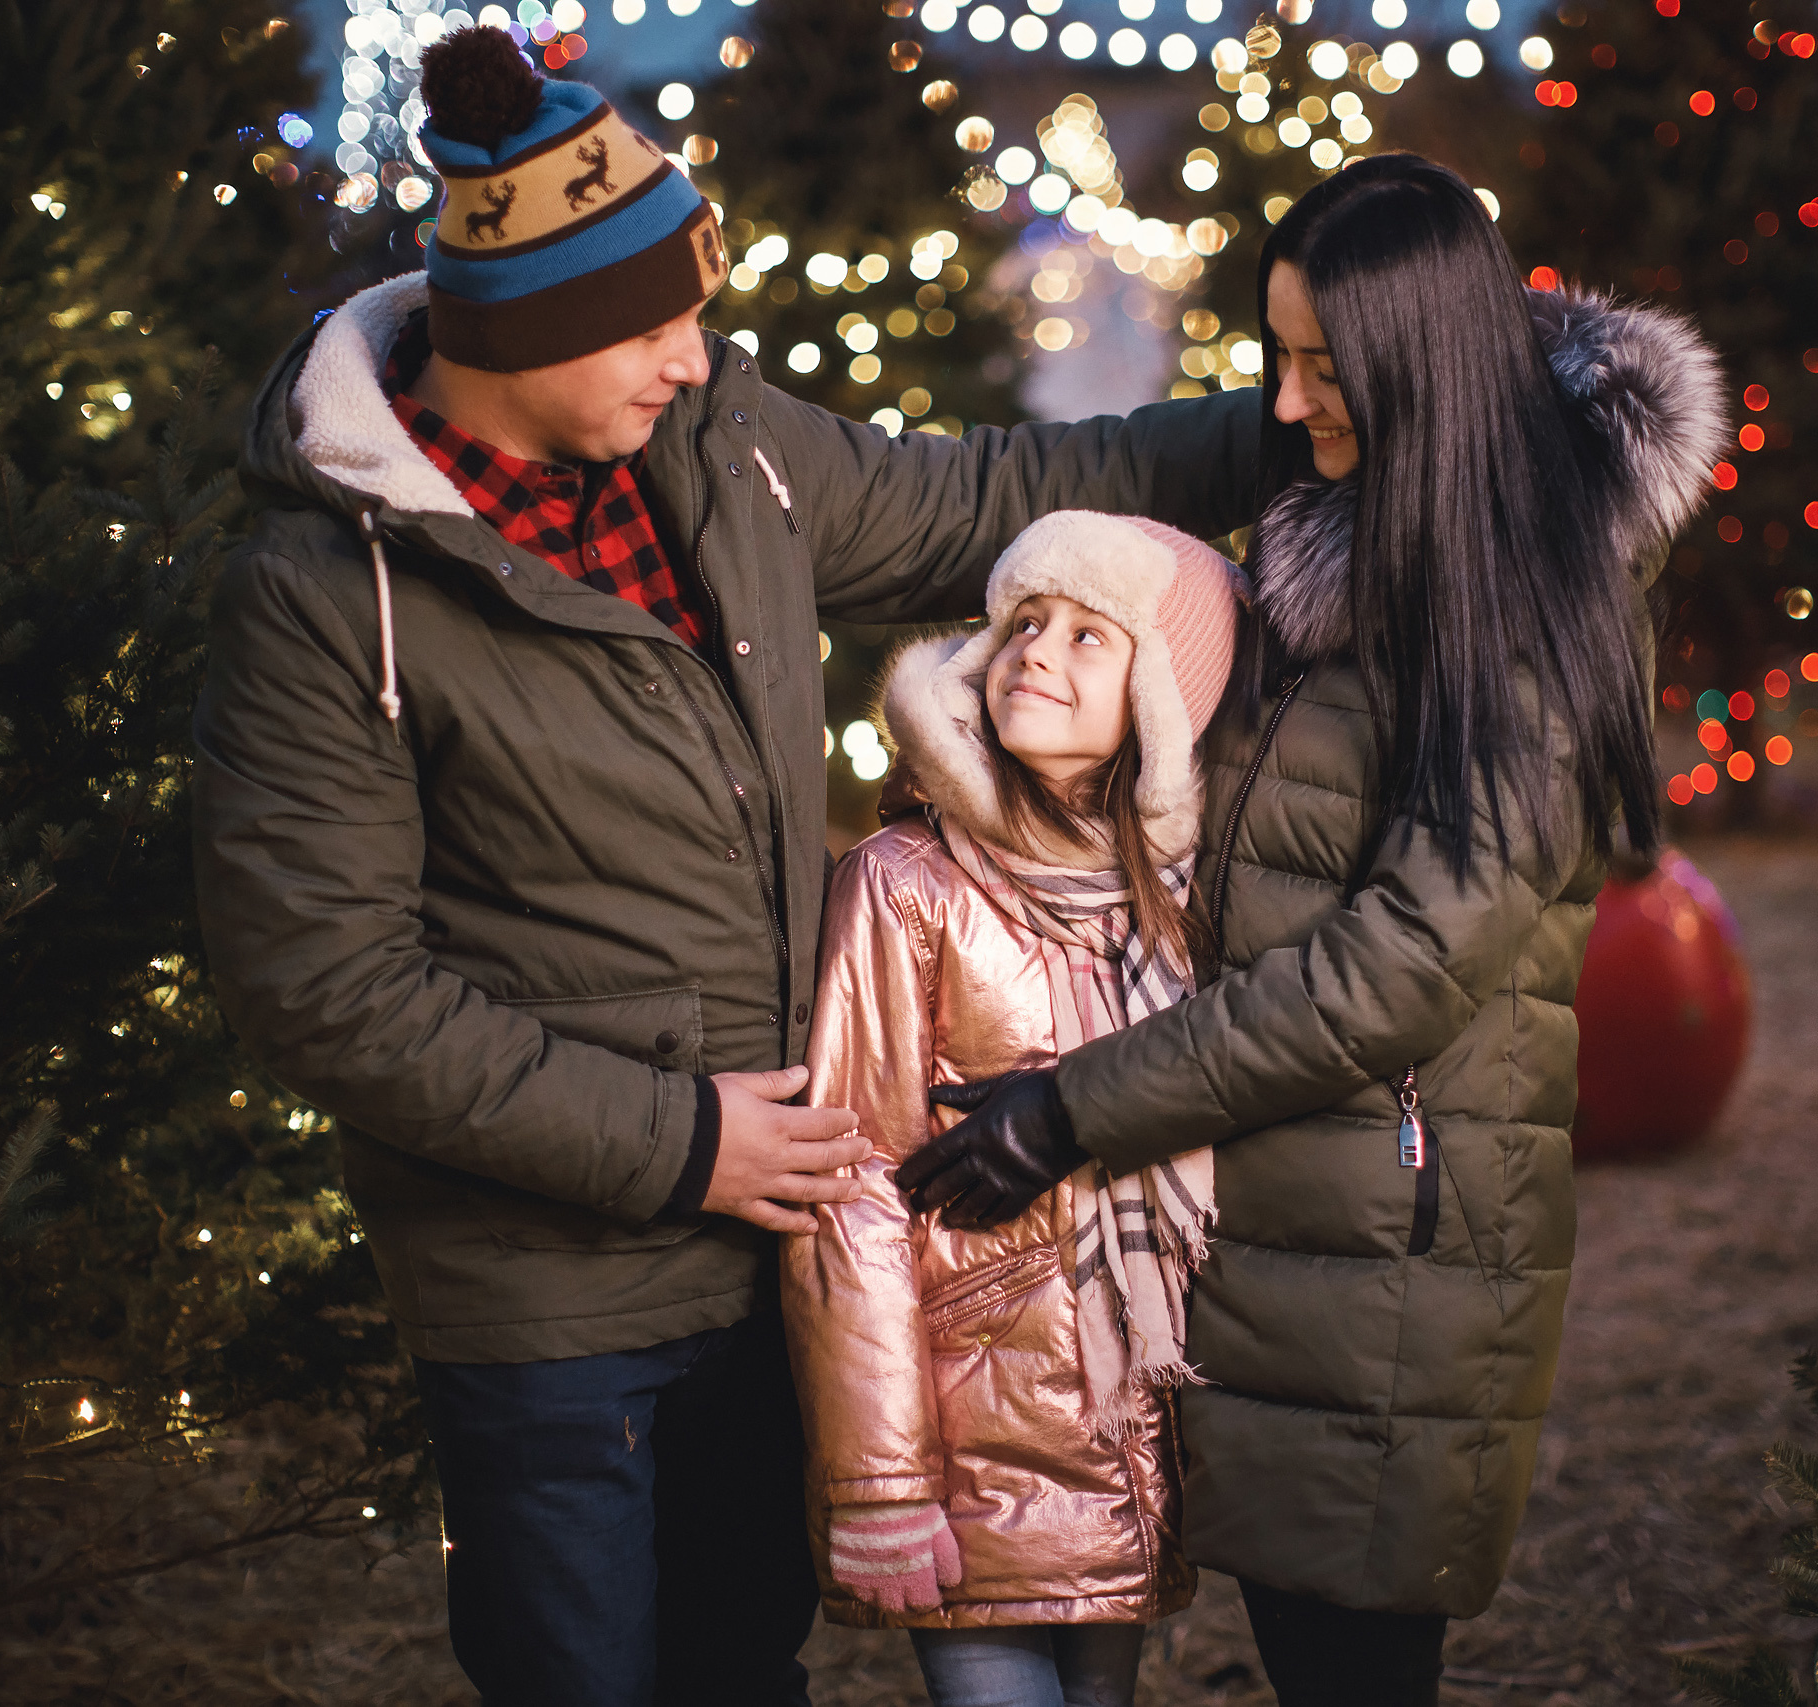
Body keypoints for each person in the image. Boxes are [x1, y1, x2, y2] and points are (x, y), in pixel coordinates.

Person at [188, 26, 1257, 1705]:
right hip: (551, 1307)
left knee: (743, 1668)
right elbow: (323, 986)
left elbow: (1008, 487)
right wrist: (679, 1138)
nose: (696, 356)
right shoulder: (333, 595)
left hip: (772, 1256)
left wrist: (1302, 428)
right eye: (656, 322)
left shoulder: (729, 459)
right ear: (522, 333)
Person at [895, 154, 1727, 1705]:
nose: (1282, 404)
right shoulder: (1340, 523)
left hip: (1390, 1244)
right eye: (1274, 354)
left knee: (1348, 1662)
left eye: (1322, 366)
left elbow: (1401, 964)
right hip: (1278, 1206)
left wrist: (1075, 1107)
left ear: (1419, 365)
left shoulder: (1533, 598)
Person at [782, 511, 1241, 1707]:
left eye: (1093, 635)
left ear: (1161, 704)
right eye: (1024, 621)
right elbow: (854, 1187)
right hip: (969, 1432)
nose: (1037, 649)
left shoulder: (1170, 900)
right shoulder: (903, 882)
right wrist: (881, 1480)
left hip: (1123, 1423)